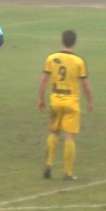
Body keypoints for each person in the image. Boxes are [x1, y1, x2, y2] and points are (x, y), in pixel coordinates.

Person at [38, 30, 93, 181]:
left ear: (62, 41)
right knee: (69, 137)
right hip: (71, 103)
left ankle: (48, 164)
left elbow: (43, 80)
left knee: (54, 132)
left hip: (55, 101)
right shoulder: (78, 61)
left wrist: (41, 99)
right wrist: (89, 101)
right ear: (74, 43)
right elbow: (85, 85)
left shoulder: (51, 58)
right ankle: (67, 173)